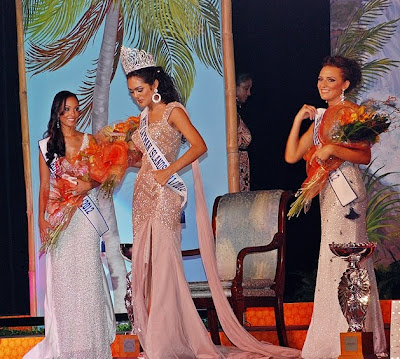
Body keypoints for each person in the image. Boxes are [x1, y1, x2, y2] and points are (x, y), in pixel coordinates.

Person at [120, 46, 301, 359]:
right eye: (131, 91)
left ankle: (165, 344)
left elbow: (199, 146)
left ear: (155, 85)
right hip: (143, 193)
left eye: (140, 90)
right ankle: (154, 338)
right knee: (146, 267)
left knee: (164, 264)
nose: (136, 96)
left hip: (165, 194)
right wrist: (119, 157)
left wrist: (169, 170)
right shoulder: (143, 117)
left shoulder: (174, 110)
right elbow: (144, 159)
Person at [285, 56, 386, 358]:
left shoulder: (353, 113)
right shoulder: (318, 118)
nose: (323, 85)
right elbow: (292, 156)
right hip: (328, 192)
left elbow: (364, 155)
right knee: (331, 258)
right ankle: (333, 336)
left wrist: (333, 148)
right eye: (320, 79)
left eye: (330, 80)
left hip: (347, 191)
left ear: (345, 84)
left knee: (349, 259)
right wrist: (297, 121)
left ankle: (353, 335)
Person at [24, 91, 115, 359]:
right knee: (64, 282)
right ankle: (69, 347)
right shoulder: (47, 146)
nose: (73, 114)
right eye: (67, 110)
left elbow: (104, 175)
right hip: (58, 219)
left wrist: (89, 184)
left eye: (76, 109)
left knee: (88, 279)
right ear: (58, 113)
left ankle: (93, 345)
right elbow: (44, 185)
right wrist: (41, 218)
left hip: (84, 220)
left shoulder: (89, 141)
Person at [236, 73, 253, 191]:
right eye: (245, 88)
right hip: (236, 168)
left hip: (242, 168)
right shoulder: (229, 114)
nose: (249, 93)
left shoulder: (237, 113)